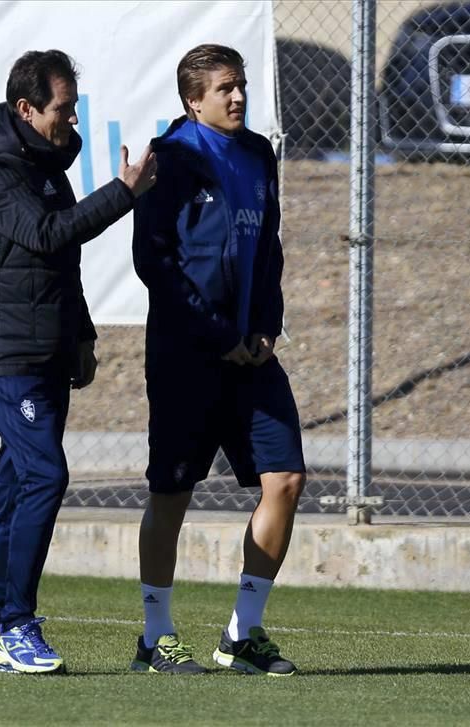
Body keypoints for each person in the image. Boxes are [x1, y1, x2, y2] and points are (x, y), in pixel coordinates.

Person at [0, 49, 157, 674]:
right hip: (6, 353)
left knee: (17, 488)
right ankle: (15, 624)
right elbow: (45, 233)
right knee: (46, 476)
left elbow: (59, 268)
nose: (71, 120)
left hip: (47, 350)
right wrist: (123, 193)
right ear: (27, 108)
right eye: (62, 109)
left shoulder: (44, 164)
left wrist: (83, 337)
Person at [131, 44, 305, 676]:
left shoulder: (259, 154)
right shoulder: (170, 160)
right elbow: (154, 262)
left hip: (252, 355)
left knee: (284, 478)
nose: (238, 98)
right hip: (186, 355)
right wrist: (213, 332)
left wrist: (265, 327)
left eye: (242, 86)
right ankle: (155, 636)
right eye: (225, 88)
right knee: (172, 494)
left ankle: (243, 634)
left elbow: (269, 248)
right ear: (192, 100)